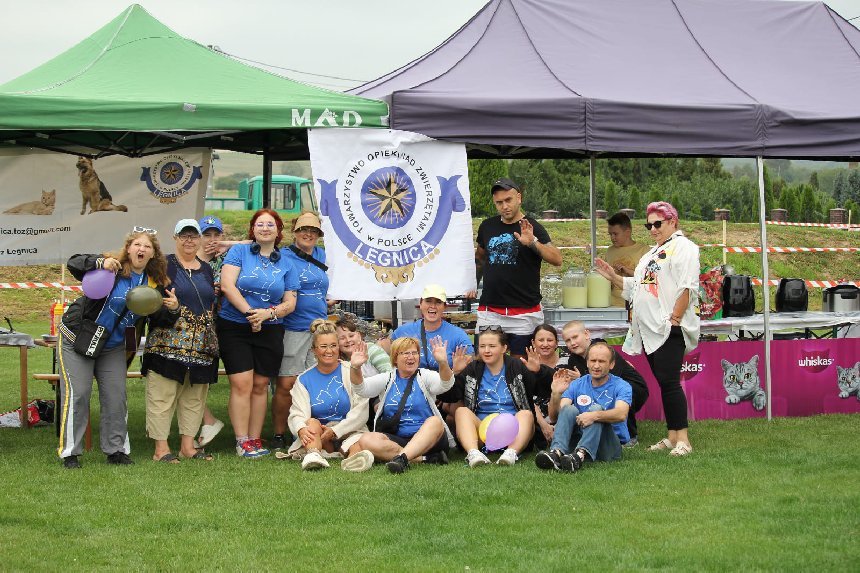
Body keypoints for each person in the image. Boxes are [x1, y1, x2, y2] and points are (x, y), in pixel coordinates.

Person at [57, 227, 178, 469]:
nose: (141, 249)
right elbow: (74, 263)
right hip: (78, 338)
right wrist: (99, 262)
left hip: (113, 347)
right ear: (128, 249)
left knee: (116, 397)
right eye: (137, 245)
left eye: (147, 246)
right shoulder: (111, 267)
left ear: (153, 254)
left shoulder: (155, 284)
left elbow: (159, 320)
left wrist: (173, 309)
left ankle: (116, 450)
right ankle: (70, 453)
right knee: (79, 394)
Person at [595, 201, 700, 457]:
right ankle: (672, 436)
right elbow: (640, 285)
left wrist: (674, 320)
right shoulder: (653, 252)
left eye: (658, 224)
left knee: (670, 383)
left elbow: (687, 287)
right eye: (649, 225)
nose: (653, 229)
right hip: (650, 329)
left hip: (667, 328)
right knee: (665, 383)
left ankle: (683, 439)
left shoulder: (684, 247)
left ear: (673, 222)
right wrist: (613, 277)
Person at [218, 209, 298, 458]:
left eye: (270, 224)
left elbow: (290, 302)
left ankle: (254, 439)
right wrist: (252, 314)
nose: (265, 228)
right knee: (242, 383)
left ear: (278, 230)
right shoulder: (239, 252)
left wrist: (268, 314)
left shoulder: (287, 263)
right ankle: (241, 441)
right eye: (260, 224)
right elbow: (227, 285)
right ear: (253, 229)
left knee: (261, 384)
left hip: (270, 328)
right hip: (235, 325)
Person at [142, 219, 219, 463]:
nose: (189, 240)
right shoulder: (162, 266)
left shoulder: (206, 269)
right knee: (162, 396)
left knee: (194, 399)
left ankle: (188, 446)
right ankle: (161, 449)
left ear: (200, 239)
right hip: (166, 344)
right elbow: (149, 303)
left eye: (193, 236)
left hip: (201, 347)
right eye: (184, 236)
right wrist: (172, 307)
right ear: (175, 238)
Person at [348, 337, 471, 473]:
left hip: (429, 439)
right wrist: (355, 367)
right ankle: (422, 459)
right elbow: (361, 389)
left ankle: (401, 457)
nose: (411, 357)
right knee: (367, 439)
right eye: (405, 353)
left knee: (435, 421)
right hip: (398, 438)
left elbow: (445, 384)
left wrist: (442, 362)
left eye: (414, 353)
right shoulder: (387, 378)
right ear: (395, 358)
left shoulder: (425, 375)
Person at [473, 178, 562, 356]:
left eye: (508, 200)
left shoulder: (532, 227)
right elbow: (480, 259)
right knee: (483, 363)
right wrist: (471, 285)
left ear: (519, 198)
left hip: (524, 314)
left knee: (520, 368)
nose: (504, 206)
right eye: (499, 202)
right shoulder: (487, 226)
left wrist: (533, 242)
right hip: (490, 312)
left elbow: (557, 259)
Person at [271, 212, 331, 451]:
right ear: (294, 232)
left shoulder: (322, 255)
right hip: (293, 328)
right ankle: (278, 433)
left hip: (320, 329)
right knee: (287, 383)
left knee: (314, 384)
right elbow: (257, 244)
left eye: (314, 231)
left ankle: (310, 432)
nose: (308, 234)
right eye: (304, 229)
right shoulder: (282, 255)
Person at [453, 326, 547, 467]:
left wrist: (538, 372)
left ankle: (511, 453)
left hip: (514, 432)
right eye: (482, 346)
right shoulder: (473, 368)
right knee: (461, 411)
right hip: (482, 430)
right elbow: (450, 397)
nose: (486, 350)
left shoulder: (517, 366)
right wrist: (455, 374)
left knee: (526, 414)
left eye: (492, 346)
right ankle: (473, 453)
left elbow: (543, 391)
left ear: (504, 348)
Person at [286, 320, 370, 471]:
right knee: (311, 423)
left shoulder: (351, 371)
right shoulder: (303, 379)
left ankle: (352, 460)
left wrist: (336, 431)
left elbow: (361, 410)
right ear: (314, 350)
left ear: (338, 347)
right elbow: (297, 414)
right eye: (323, 346)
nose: (329, 351)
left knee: (358, 443)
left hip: (349, 430)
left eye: (333, 345)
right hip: (320, 434)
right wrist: (300, 429)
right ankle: (313, 455)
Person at [535, 342, 632, 472]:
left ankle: (580, 455)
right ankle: (556, 453)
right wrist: (556, 394)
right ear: (587, 362)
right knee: (569, 409)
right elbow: (556, 416)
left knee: (596, 409)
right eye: (593, 360)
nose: (596, 366)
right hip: (578, 439)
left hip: (608, 446)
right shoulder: (577, 384)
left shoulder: (622, 386)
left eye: (602, 361)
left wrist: (594, 416)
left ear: (611, 364)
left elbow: (621, 414)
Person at [561, 320, 649, 447]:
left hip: (633, 386)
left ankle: (630, 436)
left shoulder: (604, 350)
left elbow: (611, 381)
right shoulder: (573, 360)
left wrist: (581, 378)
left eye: (575, 337)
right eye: (568, 340)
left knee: (616, 396)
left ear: (586, 334)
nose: (572, 343)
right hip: (602, 387)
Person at [384, 284, 474, 371]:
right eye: (428, 301)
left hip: (446, 381)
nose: (433, 306)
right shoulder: (402, 332)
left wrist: (456, 371)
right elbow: (386, 355)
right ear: (420, 304)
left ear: (445, 307)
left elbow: (471, 364)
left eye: (438, 302)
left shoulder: (458, 335)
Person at [194, 215, 226, 448]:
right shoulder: (189, 261)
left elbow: (258, 244)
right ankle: (207, 421)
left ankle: (206, 422)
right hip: (191, 326)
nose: (212, 240)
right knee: (190, 377)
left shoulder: (226, 260)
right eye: (207, 235)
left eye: (217, 235)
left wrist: (227, 245)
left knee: (201, 378)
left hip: (218, 327)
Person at [603, 212, 651, 308]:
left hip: (635, 306)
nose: (612, 237)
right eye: (610, 234)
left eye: (615, 234)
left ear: (628, 232)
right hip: (611, 305)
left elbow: (648, 280)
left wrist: (627, 271)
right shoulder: (609, 251)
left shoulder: (644, 250)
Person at [530, 323, 563, 448]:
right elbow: (526, 398)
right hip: (536, 414)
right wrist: (544, 425)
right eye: (541, 340)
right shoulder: (526, 365)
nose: (545, 344)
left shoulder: (567, 361)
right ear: (533, 343)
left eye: (550, 340)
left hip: (560, 408)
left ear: (557, 343)